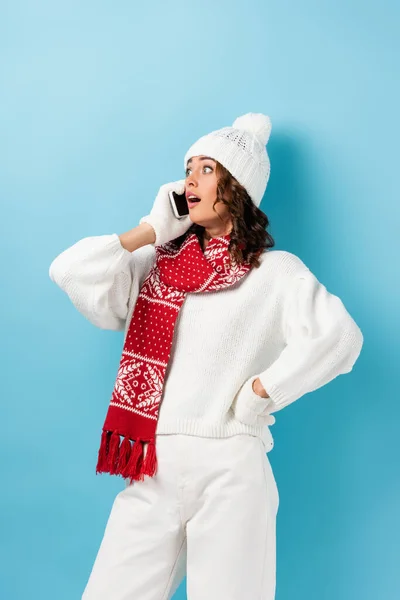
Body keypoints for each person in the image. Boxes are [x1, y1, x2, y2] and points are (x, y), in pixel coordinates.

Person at [49, 112, 364, 600]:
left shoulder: (274, 273)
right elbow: (69, 270)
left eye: (207, 168)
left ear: (237, 186)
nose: (189, 179)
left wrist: (263, 392)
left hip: (231, 466)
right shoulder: (154, 266)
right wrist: (150, 229)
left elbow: (339, 338)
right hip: (153, 463)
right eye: (187, 167)